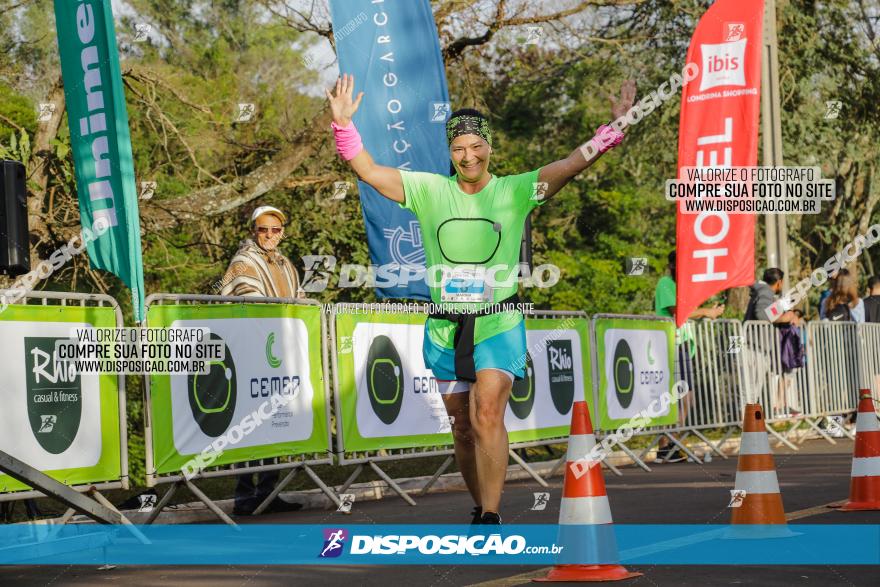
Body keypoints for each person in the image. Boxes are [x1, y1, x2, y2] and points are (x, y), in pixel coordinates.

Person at [326, 73, 636, 524]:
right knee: (462, 427)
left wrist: (613, 132)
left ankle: (491, 512)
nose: (468, 156)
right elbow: (370, 172)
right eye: (458, 149)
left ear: (489, 147)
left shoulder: (513, 191)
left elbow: (570, 163)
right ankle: (479, 503)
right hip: (445, 327)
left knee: (487, 409)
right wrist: (343, 126)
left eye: (476, 147)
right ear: (449, 153)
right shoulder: (429, 190)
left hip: (499, 322)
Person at [220, 205, 305, 516]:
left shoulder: (287, 265)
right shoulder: (243, 261)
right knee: (248, 425)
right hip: (250, 352)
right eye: (263, 229)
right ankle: (244, 496)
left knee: (275, 423)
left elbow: (300, 301)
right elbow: (249, 301)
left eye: (275, 230)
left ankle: (268, 493)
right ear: (252, 231)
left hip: (279, 354)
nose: (269, 235)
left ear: (282, 232)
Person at [654, 251, 724, 463]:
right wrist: (705, 312)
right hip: (670, 345)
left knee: (686, 399)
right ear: (673, 265)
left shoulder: (684, 286)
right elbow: (678, 312)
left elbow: (688, 313)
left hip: (683, 345)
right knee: (677, 398)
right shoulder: (665, 283)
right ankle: (666, 446)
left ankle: (668, 445)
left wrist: (706, 312)